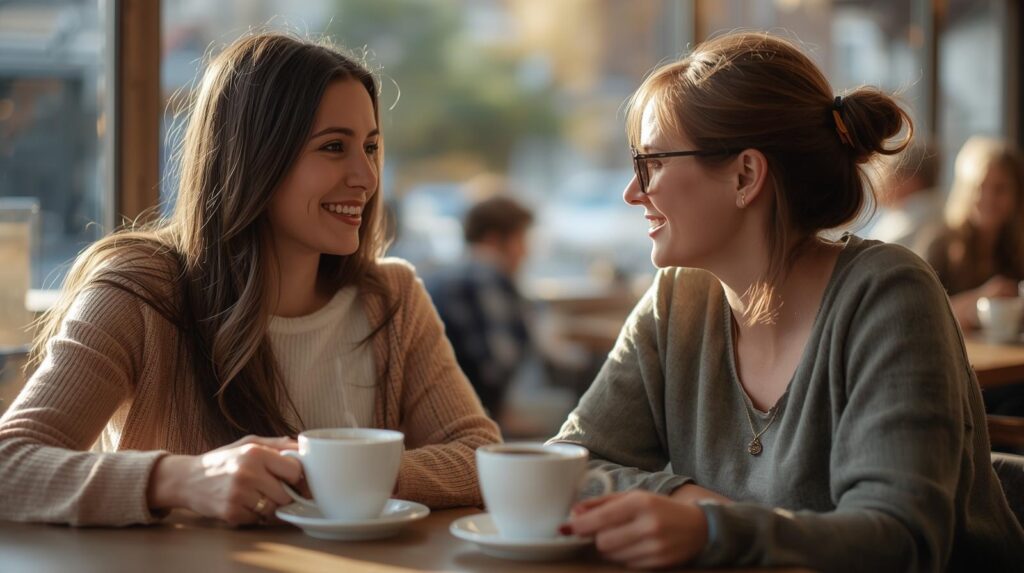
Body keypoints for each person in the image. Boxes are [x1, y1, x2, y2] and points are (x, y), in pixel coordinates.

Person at [550, 32, 1023, 571]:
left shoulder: (889, 294)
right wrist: (695, 505)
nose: (632, 194)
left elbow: (901, 541)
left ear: (745, 175)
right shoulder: (676, 301)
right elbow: (566, 465)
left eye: (652, 162)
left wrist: (710, 532)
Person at [0, 33, 500, 527]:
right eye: (333, 147)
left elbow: (481, 458)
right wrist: (183, 479)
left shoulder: (394, 299)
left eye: (369, 147)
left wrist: (348, 473)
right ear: (252, 157)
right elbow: (9, 465)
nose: (366, 177)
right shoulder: (137, 292)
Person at [425, 192, 533, 419]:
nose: (526, 252)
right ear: (493, 240)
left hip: (438, 410)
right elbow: (500, 361)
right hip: (469, 415)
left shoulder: (448, 274)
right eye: (521, 240)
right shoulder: (486, 275)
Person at [918, 136, 1024, 329]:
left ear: (1017, 194)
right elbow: (918, 313)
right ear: (964, 190)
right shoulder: (940, 244)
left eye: (1000, 189)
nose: (988, 198)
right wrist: (981, 299)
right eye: (978, 187)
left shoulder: (1016, 245)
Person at [858, 141, 943, 253]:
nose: (877, 180)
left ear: (909, 180)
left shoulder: (911, 226)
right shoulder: (910, 213)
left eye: (886, 171)